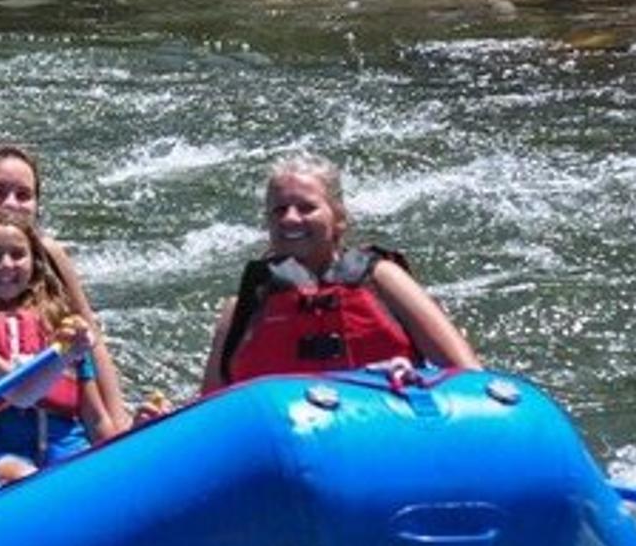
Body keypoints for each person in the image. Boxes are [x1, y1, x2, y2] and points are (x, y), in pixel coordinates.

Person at [201, 152, 480, 391]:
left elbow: (468, 375)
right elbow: (205, 412)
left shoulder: (383, 279)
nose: (290, 218)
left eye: (306, 208)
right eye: (279, 210)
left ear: (339, 219)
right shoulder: (241, 308)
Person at [0, 144, 132, 434]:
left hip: (58, 427)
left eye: (23, 195)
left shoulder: (49, 254)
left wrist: (118, 423)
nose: (10, 203)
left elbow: (91, 340)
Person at [0, 209, 114, 481]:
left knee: (85, 473)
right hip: (1, 451)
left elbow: (95, 418)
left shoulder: (62, 326)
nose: (5, 264)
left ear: (35, 262)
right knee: (21, 476)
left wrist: (118, 454)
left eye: (17, 254)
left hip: (67, 442)